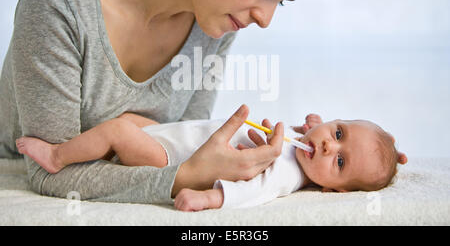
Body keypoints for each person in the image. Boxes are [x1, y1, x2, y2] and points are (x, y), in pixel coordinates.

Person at [0, 0, 325, 204]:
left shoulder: (214, 23)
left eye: (279, 1)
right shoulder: (61, 1)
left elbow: (185, 144)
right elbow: (49, 172)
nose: (265, 19)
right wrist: (184, 177)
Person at [16, 110, 408, 211]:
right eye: (338, 134)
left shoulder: (287, 174)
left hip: (171, 157)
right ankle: (97, 144)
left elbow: (252, 192)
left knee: (120, 130)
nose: (327, 147)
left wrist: (208, 199)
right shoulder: (303, 143)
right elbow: (309, 133)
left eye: (340, 164)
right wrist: (310, 126)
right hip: (175, 135)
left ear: (329, 189)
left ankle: (57, 155)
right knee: (135, 123)